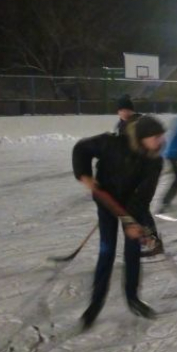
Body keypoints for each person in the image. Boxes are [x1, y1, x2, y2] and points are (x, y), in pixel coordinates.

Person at [72, 115, 166, 329]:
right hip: (106, 203)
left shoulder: (155, 160)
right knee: (107, 250)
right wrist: (84, 175)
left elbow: (144, 195)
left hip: (132, 207)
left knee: (132, 251)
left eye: (161, 136)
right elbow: (81, 149)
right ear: (142, 137)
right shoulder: (112, 143)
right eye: (155, 137)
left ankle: (133, 298)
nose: (160, 141)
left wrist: (131, 222)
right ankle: (95, 303)